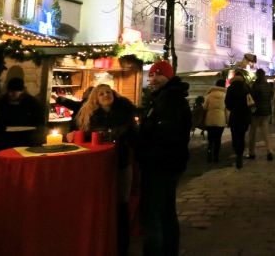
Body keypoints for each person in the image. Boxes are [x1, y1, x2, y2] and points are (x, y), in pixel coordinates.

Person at [136, 60, 191, 256]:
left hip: (161, 164)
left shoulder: (169, 100)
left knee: (154, 215)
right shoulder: (163, 97)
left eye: (159, 74)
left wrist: (144, 150)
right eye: (151, 75)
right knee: (166, 212)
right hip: (168, 162)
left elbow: (166, 135)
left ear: (168, 76)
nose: (153, 79)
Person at [76, 84, 137, 256]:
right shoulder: (89, 116)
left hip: (122, 162)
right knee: (101, 202)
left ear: (114, 94)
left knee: (121, 202)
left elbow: (133, 136)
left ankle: (121, 244)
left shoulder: (125, 112)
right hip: (98, 167)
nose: (105, 95)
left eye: (108, 92)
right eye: (101, 93)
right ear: (95, 98)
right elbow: (83, 136)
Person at [0, 77, 45, 151]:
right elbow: (0, 118)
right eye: (9, 91)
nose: (10, 94)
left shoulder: (32, 102)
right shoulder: (2, 101)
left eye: (13, 92)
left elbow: (39, 120)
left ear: (21, 91)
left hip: (26, 136)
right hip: (6, 137)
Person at [224, 70, 252, 169]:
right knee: (242, 136)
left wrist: (233, 108)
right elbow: (251, 102)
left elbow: (227, 103)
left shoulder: (231, 88)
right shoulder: (246, 87)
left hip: (235, 116)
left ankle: (237, 152)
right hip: (245, 116)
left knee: (235, 136)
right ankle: (240, 155)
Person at [248, 68, 275, 161]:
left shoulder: (255, 85)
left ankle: (252, 153)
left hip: (256, 112)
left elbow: (251, 98)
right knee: (265, 133)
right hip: (266, 112)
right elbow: (271, 97)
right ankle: (269, 151)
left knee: (252, 133)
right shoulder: (268, 86)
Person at [203, 78, 228, 163]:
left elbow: (204, 107)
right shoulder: (225, 96)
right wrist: (228, 120)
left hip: (210, 119)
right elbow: (227, 110)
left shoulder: (209, 95)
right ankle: (216, 157)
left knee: (210, 139)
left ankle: (209, 156)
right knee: (218, 139)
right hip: (220, 119)